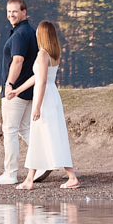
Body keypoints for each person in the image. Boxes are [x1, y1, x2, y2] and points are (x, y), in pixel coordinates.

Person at [21, 20, 79, 188]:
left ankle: (71, 176)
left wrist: (37, 106)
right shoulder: (53, 53)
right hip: (52, 96)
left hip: (45, 98)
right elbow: (37, 77)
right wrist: (17, 90)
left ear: (42, 35)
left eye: (38, 31)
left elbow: (43, 82)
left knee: (49, 136)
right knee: (41, 137)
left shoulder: (42, 54)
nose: (36, 34)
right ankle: (30, 179)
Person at [0, 0, 38, 186]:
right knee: (25, 129)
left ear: (24, 12)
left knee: (10, 130)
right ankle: (42, 164)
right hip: (29, 90)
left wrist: (9, 84)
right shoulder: (30, 32)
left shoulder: (19, 34)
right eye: (9, 11)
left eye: (15, 11)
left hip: (16, 91)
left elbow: (17, 61)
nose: (11, 15)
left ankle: (10, 173)